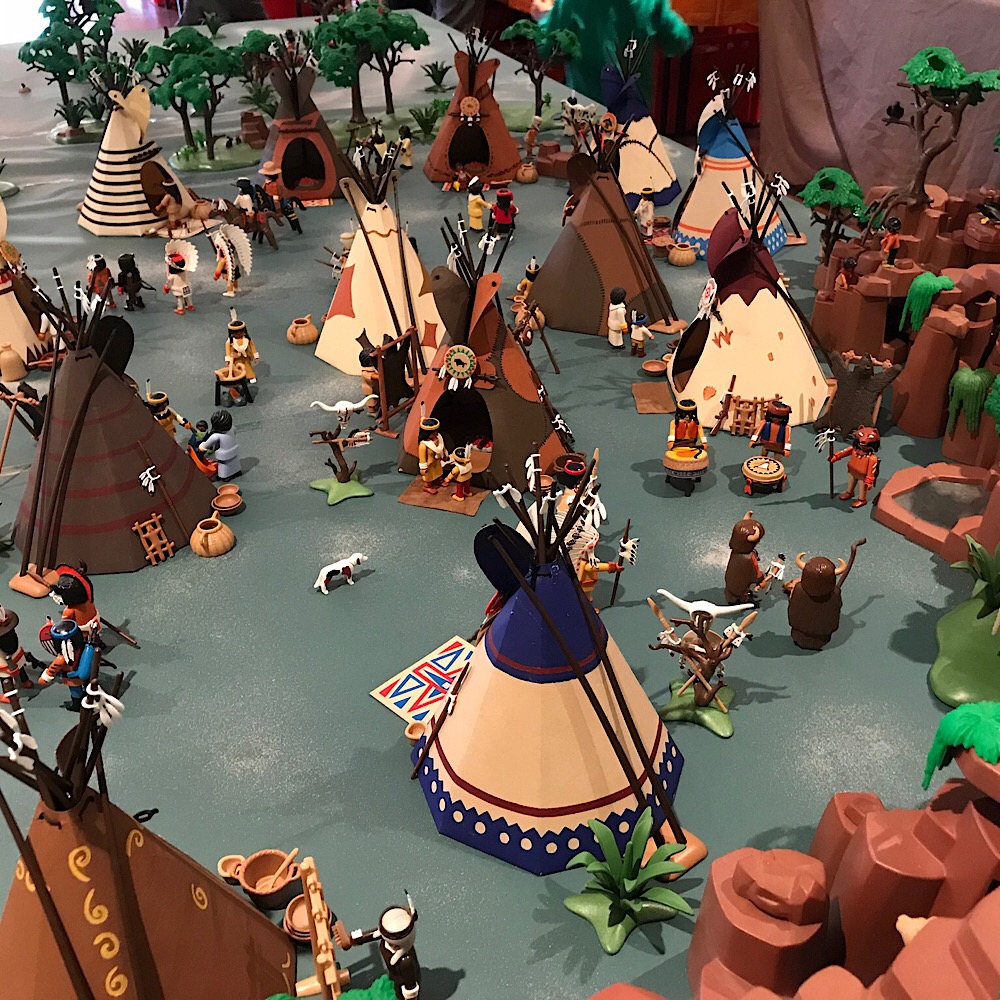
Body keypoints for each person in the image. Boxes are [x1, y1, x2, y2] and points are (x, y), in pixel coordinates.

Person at [536, 0, 692, 103]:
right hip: (635, 117)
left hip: (586, 114)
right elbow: (679, 42)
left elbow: (548, 51)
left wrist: (544, 17)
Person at [830, 426, 880, 509]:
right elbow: (844, 452)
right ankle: (849, 492)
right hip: (852, 471)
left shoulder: (871, 458)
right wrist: (835, 456)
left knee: (862, 487)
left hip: (862, 475)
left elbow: (871, 470)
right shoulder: (854, 450)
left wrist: (869, 481)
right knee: (851, 483)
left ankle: (862, 499)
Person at [200, 410, 241, 480]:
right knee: (234, 462)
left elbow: (206, 445)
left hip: (224, 454)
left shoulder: (216, 436)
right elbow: (234, 433)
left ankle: (224, 476)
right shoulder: (232, 428)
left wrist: (202, 446)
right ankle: (237, 472)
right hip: (234, 450)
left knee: (224, 466)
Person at [417, 416, 446, 494]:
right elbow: (422, 457)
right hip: (429, 463)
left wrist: (444, 454)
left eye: (436, 433)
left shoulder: (439, 438)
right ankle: (427, 486)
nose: (435, 435)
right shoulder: (423, 445)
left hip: (437, 460)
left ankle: (439, 481)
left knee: (439, 471)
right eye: (433, 434)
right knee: (429, 476)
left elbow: (442, 447)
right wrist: (423, 467)